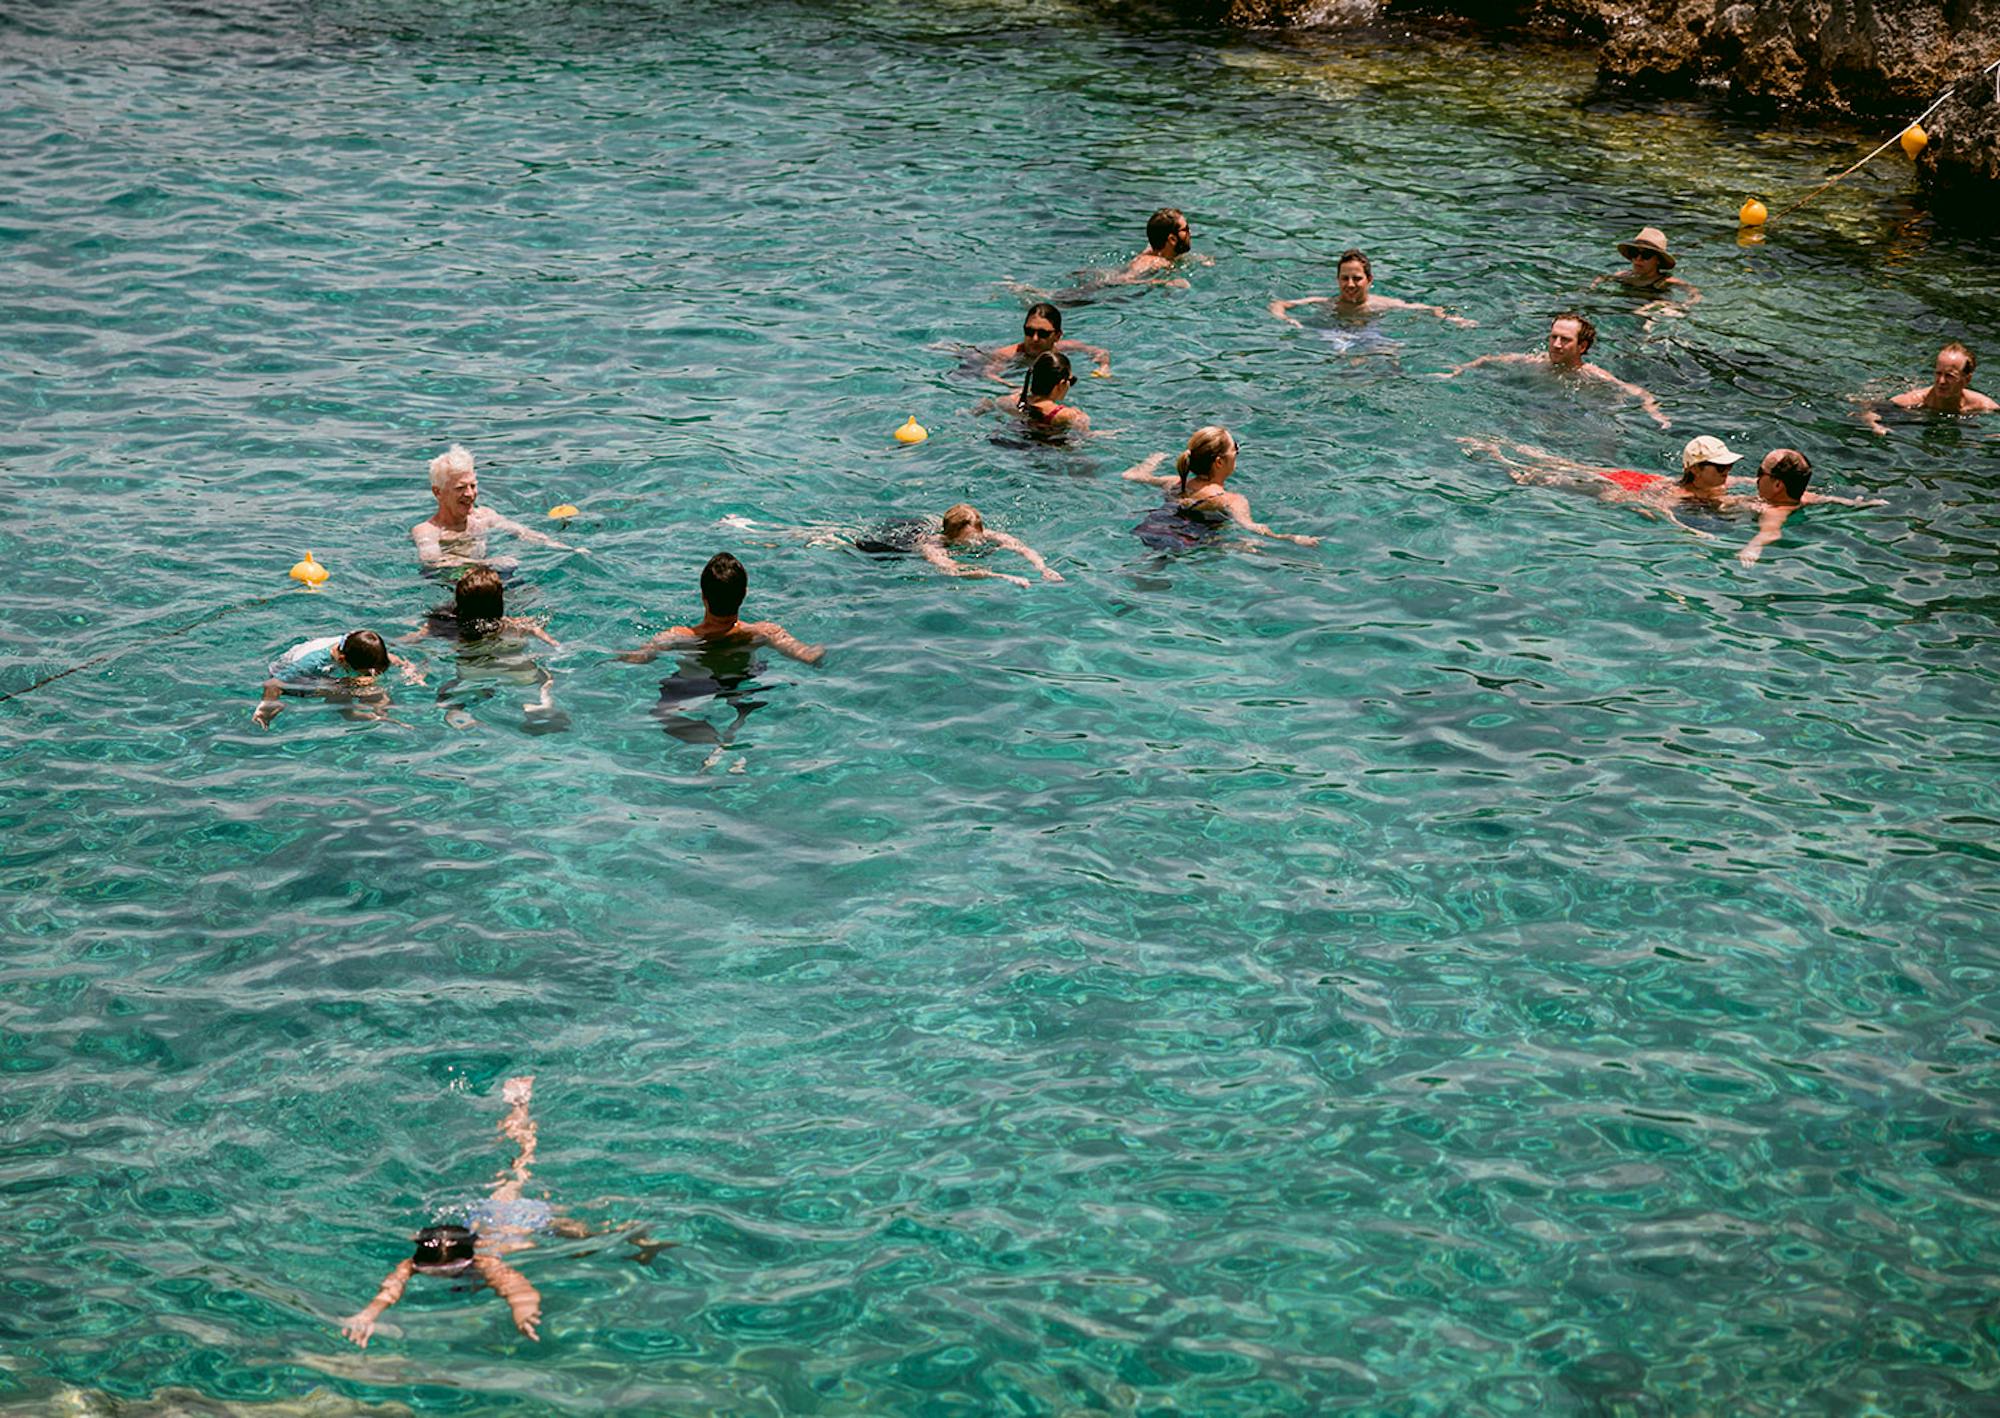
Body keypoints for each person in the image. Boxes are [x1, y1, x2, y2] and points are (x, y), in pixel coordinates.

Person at [341, 1077, 662, 1347]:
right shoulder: (420, 1259)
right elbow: (391, 1288)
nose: (443, 1275)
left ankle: (633, 1231)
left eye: (448, 1272)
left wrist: (523, 1312)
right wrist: (367, 1314)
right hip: (490, 1214)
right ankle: (518, 1105)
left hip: (526, 1218)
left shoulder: (486, 1261)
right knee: (518, 1168)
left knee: (582, 1240)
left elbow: (517, 1288)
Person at [618, 553, 824, 766]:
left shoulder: (679, 635)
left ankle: (711, 741)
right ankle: (739, 723)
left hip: (697, 685)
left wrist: (613, 654)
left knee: (662, 713)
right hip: (747, 679)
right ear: (744, 594)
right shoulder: (763, 631)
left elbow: (637, 659)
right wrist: (817, 653)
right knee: (747, 694)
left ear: (703, 597)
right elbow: (805, 655)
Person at [1454, 433, 1741, 536]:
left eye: (1729, 465)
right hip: (1622, 488)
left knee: (1570, 465)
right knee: (1531, 476)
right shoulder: (1676, 494)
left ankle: (1507, 448)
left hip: (1638, 479)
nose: (1727, 470)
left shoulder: (1715, 485)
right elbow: (1665, 512)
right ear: (1696, 469)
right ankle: (1495, 456)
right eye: (1721, 466)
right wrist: (1691, 533)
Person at [400, 564, 563, 727]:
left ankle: (456, 712)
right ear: (499, 602)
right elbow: (540, 633)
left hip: (472, 674)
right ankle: (544, 701)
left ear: (458, 601)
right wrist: (555, 644)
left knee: (445, 692)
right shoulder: (512, 625)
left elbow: (413, 639)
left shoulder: (444, 627)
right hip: (519, 672)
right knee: (545, 677)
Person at [1443, 312, 1670, 429]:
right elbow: (1488, 359)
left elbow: (1640, 394)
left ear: (1582, 346)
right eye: (1553, 337)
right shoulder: (1533, 361)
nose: (1557, 344)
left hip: (1571, 415)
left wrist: (1656, 415)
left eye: (1565, 340)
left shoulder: (1593, 375)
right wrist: (1456, 371)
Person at [1121, 427, 1320, 551]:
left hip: (1152, 527)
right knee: (1252, 547)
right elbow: (1252, 527)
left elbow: (1131, 476)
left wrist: (1152, 460)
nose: (1237, 453)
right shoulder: (1231, 499)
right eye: (1236, 448)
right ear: (1219, 462)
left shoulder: (1174, 482)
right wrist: (1292, 538)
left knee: (1151, 561)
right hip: (1189, 540)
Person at [412, 444, 584, 570]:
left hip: (487, 582)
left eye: (473, 486)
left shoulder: (484, 516)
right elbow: (432, 561)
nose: (470, 494)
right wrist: (487, 564)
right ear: (438, 492)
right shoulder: (427, 530)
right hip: (453, 590)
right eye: (460, 488)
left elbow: (523, 533)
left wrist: (567, 548)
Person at [1732, 448, 1883, 565]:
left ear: (1777, 484)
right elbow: (1831, 499)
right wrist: (1862, 504)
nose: (1756, 479)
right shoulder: (1806, 496)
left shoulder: (1775, 511)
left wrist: (1752, 548)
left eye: (1760, 473)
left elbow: (1770, 533)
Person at [855, 504, 1062, 588]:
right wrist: (1001, 576)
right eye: (966, 539)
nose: (974, 542)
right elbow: (952, 569)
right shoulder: (933, 547)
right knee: (859, 545)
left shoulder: (986, 534)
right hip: (899, 544)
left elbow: (1022, 548)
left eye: (976, 536)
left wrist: (1043, 568)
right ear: (951, 535)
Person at [252, 628, 421, 728]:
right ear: (342, 661)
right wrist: (265, 709)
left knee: (371, 689)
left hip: (323, 670)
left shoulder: (353, 643)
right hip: (294, 678)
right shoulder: (311, 663)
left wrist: (408, 668)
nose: (369, 674)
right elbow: (273, 683)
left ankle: (382, 715)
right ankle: (360, 715)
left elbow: (384, 657)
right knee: (344, 690)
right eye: (364, 671)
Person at [1269, 248, 1475, 329]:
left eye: (1357, 278)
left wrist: (1452, 318)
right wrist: (1288, 320)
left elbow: (1429, 308)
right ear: (1337, 279)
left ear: (1369, 280)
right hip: (1334, 332)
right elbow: (1278, 304)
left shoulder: (1383, 304)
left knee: (1389, 353)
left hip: (1369, 332)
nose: (1350, 284)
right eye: (1345, 278)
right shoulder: (1327, 303)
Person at [1862, 342, 1997, 433]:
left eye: (1949, 376)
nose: (1941, 381)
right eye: (1938, 373)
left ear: (1966, 379)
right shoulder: (1913, 401)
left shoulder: (1982, 404)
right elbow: (1868, 409)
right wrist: (1874, 425)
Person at [982, 303, 1110, 384]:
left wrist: (1103, 367)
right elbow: (988, 374)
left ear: (1057, 336)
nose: (1035, 338)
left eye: (1043, 334)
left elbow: (1100, 351)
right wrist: (1014, 387)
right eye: (1029, 331)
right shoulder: (1006, 355)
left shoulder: (1066, 347)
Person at [1594, 227, 1699, 313]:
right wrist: (1593, 288)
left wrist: (1677, 305)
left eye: (1646, 255)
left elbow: (1695, 294)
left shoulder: (1664, 281)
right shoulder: (1624, 276)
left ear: (1658, 260)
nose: (1638, 259)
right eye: (1634, 253)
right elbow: (1602, 278)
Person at [1000, 351, 1090, 433]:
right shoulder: (1065, 414)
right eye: (1071, 381)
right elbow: (1084, 434)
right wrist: (1083, 418)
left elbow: (999, 402)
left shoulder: (1013, 400)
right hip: (1046, 449)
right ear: (1062, 383)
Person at [1114, 207, 1204, 285]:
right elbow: (1122, 280)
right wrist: (1165, 283)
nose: (1190, 233)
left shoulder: (1167, 254)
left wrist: (1205, 260)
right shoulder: (1150, 261)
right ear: (1172, 239)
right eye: (1185, 230)